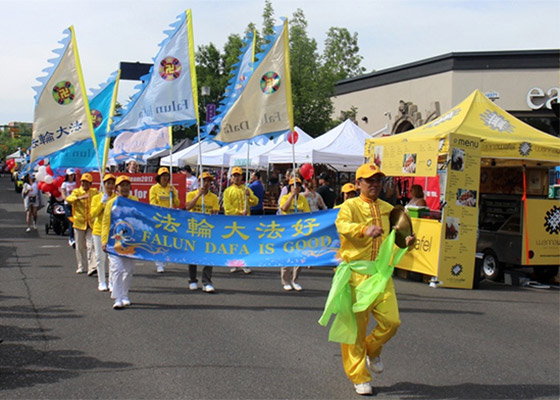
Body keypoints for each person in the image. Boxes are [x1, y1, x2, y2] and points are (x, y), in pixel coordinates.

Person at [325, 163, 415, 395]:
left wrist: (407, 242)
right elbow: (342, 225)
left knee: (392, 321)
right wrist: (363, 230)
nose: (374, 184)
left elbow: (398, 235)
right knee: (355, 330)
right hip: (355, 274)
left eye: (378, 180)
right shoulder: (349, 206)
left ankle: (372, 349)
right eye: (369, 180)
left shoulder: (389, 209)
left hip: (380, 274)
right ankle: (359, 376)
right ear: (358, 184)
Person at [101, 175, 139, 309]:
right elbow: (106, 222)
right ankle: (117, 298)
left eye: (127, 185)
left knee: (128, 270)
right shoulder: (112, 203)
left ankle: (124, 295)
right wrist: (104, 240)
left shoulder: (135, 201)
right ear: (117, 188)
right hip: (115, 240)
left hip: (130, 240)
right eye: (122, 185)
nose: (125, 188)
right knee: (117, 269)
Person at [185, 172, 220, 293]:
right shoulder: (191, 194)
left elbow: (215, 213)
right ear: (199, 182)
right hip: (193, 228)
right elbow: (188, 207)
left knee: (208, 255)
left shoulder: (214, 197)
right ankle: (192, 279)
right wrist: (198, 195)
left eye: (208, 181)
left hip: (207, 229)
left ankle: (207, 281)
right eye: (204, 181)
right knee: (193, 255)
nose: (206, 183)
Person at [223, 166, 258, 274]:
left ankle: (244, 263)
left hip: (245, 221)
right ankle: (233, 264)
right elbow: (227, 208)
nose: (237, 178)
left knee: (245, 243)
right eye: (235, 175)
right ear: (231, 177)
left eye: (238, 175)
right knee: (233, 242)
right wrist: (239, 212)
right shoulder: (228, 191)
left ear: (242, 177)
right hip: (233, 221)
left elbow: (255, 202)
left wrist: (250, 196)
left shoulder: (246, 189)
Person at [279, 177, 310, 291]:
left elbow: (307, 214)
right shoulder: (285, 197)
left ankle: (295, 280)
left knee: (299, 256)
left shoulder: (303, 200)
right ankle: (285, 280)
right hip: (287, 231)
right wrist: (292, 196)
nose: (295, 187)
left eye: (297, 185)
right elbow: (284, 208)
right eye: (293, 185)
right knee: (287, 256)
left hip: (299, 231)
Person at [66, 173, 99, 275]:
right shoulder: (76, 191)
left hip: (91, 223)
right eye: (83, 182)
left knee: (91, 245)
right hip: (79, 223)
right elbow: (69, 199)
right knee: (80, 246)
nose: (85, 184)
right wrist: (79, 198)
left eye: (87, 182)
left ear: (90, 183)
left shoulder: (94, 192)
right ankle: (81, 266)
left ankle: (92, 267)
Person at [149, 167, 180, 273]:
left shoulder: (172, 188)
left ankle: (164, 259)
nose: (165, 178)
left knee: (167, 241)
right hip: (158, 218)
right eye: (163, 176)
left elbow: (177, 203)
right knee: (158, 240)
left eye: (167, 175)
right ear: (159, 177)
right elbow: (152, 203)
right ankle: (159, 263)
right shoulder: (154, 189)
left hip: (169, 219)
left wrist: (174, 194)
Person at [90, 174, 117, 292]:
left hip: (113, 231)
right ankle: (102, 281)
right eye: (108, 183)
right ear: (103, 184)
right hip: (98, 230)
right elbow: (93, 214)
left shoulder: (117, 198)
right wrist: (102, 203)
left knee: (113, 258)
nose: (110, 186)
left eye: (112, 183)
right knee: (100, 257)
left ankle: (111, 281)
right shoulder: (97, 198)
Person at [61, 168, 78, 247]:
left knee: (77, 221)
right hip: (68, 204)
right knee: (71, 221)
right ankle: (71, 238)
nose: (72, 176)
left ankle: (77, 237)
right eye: (70, 175)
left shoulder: (76, 183)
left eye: (73, 175)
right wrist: (67, 199)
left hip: (76, 204)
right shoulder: (64, 184)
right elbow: (63, 194)